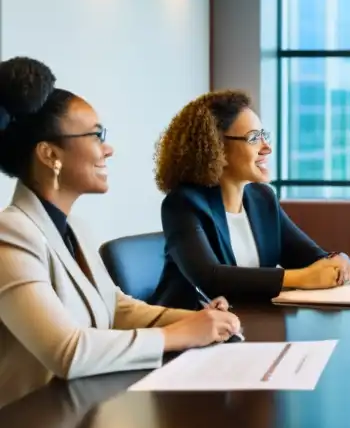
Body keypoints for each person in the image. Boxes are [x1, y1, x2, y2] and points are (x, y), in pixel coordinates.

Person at [0, 57, 239, 399]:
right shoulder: (9, 234)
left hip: (82, 411)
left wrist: (197, 320)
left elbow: (116, 307)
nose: (108, 148)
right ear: (50, 154)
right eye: (97, 135)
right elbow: (68, 352)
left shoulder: (75, 228)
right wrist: (182, 334)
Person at [151, 90, 350, 309]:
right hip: (188, 330)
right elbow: (212, 278)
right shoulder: (183, 205)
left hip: (251, 321)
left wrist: (336, 260)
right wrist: (302, 278)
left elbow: (308, 257)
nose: (267, 147)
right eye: (254, 138)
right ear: (216, 147)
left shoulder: (261, 198)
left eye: (264, 136)